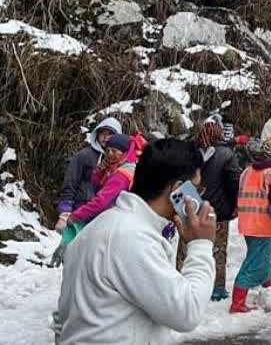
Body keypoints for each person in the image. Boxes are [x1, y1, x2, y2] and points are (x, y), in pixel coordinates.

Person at [52, 138, 216, 344]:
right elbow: (187, 311)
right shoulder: (132, 237)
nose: (199, 199)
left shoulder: (102, 226)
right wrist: (201, 244)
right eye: (196, 190)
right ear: (177, 190)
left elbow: (62, 320)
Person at [178, 116, 240, 301]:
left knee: (185, 246)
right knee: (217, 249)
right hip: (217, 211)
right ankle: (217, 287)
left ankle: (181, 281)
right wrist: (236, 204)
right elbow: (234, 182)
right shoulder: (227, 154)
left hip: (189, 208)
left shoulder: (189, 151)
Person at [230, 137, 271, 314]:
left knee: (261, 254)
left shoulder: (247, 171)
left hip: (247, 221)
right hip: (263, 224)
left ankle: (267, 281)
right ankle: (237, 302)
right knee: (253, 262)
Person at [55, 117, 121, 234]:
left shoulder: (118, 162)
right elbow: (70, 183)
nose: (105, 137)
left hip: (102, 217)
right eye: (103, 133)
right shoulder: (84, 156)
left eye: (110, 134)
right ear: (97, 134)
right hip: (79, 211)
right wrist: (64, 214)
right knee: (69, 249)